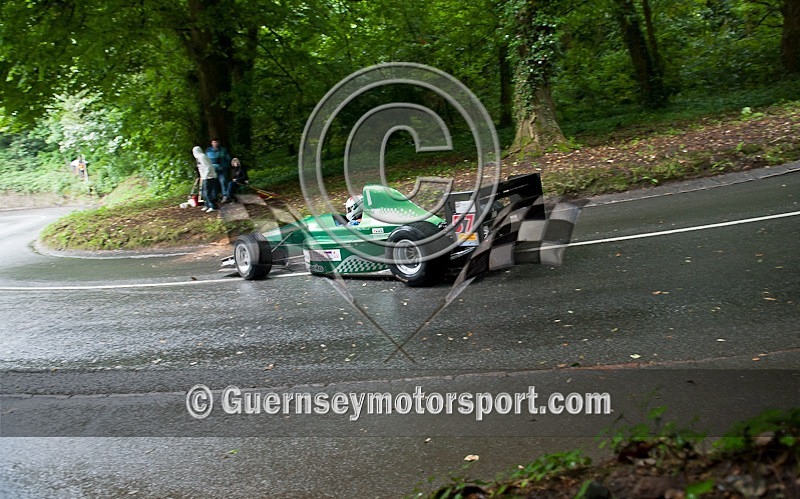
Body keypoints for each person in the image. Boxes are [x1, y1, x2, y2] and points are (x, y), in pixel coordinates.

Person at [192, 146, 218, 213]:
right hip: (204, 177)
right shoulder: (198, 158)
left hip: (209, 177)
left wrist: (205, 176)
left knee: (207, 192)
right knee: (203, 193)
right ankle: (207, 205)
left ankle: (213, 206)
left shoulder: (202, 157)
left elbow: (208, 167)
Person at [206, 138, 232, 203]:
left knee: (223, 182)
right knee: (213, 183)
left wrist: (224, 166)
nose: (216, 144)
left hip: (222, 170)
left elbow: (228, 159)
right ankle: (215, 197)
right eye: (214, 142)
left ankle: (225, 196)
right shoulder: (208, 151)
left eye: (217, 142)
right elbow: (206, 160)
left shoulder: (223, 150)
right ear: (212, 143)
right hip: (212, 170)